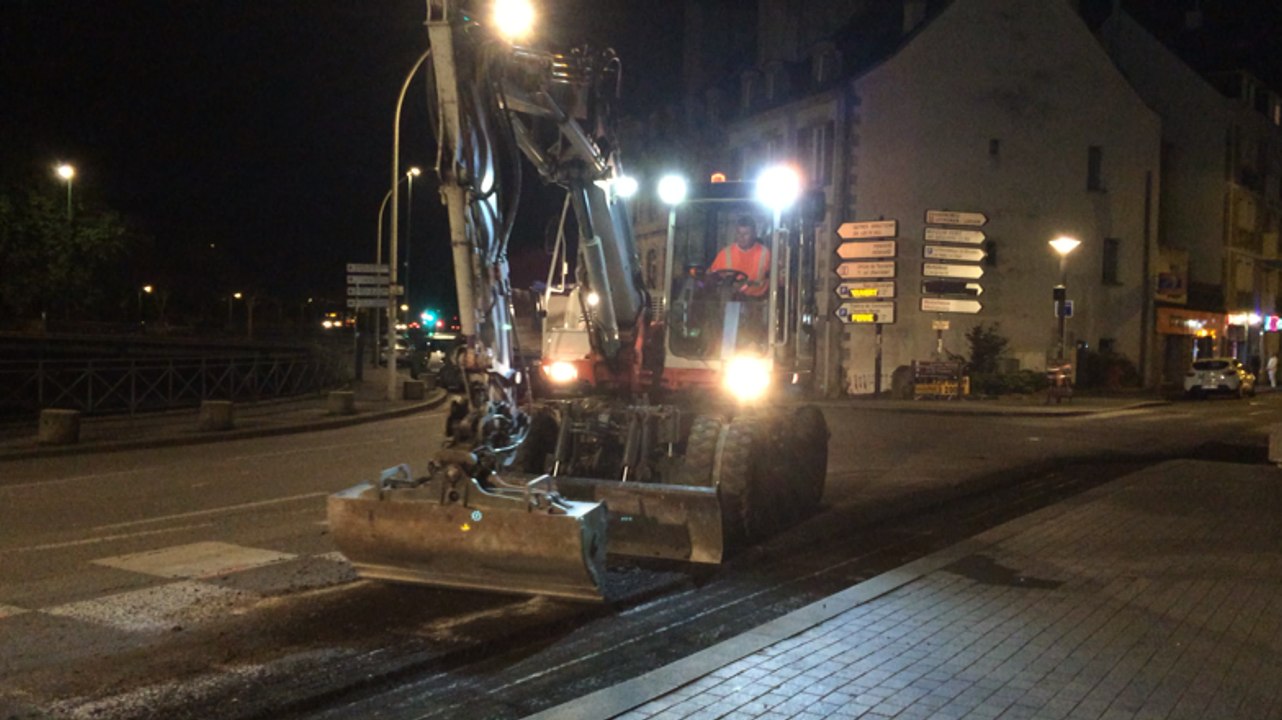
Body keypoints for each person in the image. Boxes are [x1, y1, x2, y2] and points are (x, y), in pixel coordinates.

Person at [709, 215, 770, 299]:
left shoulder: (765, 253)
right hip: (730, 300)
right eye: (738, 233)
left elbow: (776, 279)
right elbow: (711, 278)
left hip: (757, 302)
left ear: (754, 234)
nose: (741, 237)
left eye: (746, 234)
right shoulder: (724, 254)